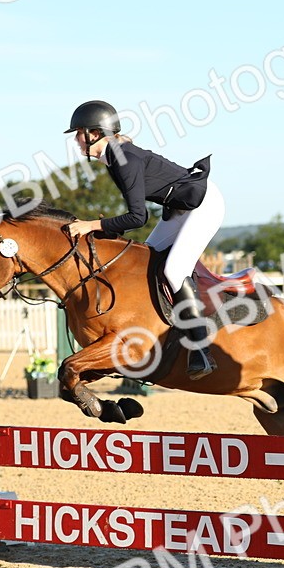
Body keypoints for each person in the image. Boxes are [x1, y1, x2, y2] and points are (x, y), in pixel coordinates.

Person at [63, 100, 223, 380]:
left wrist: (92, 225)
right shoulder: (115, 155)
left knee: (174, 269)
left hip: (203, 205)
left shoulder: (123, 160)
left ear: (95, 134)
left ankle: (200, 348)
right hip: (180, 208)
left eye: (79, 132)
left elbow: (138, 218)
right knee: (147, 260)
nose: (76, 139)